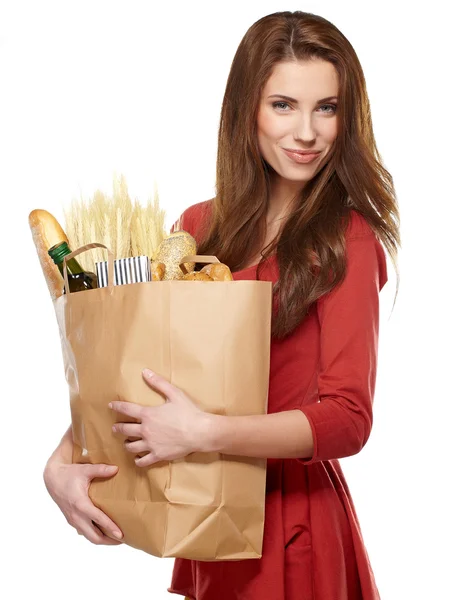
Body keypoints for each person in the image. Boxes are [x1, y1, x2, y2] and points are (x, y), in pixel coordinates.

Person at [43, 10, 401, 600]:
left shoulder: (348, 239)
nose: (306, 132)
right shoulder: (197, 228)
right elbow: (142, 370)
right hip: (207, 518)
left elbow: (348, 417)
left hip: (294, 529)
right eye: (283, 105)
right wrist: (61, 461)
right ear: (246, 110)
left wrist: (203, 432)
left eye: (327, 108)